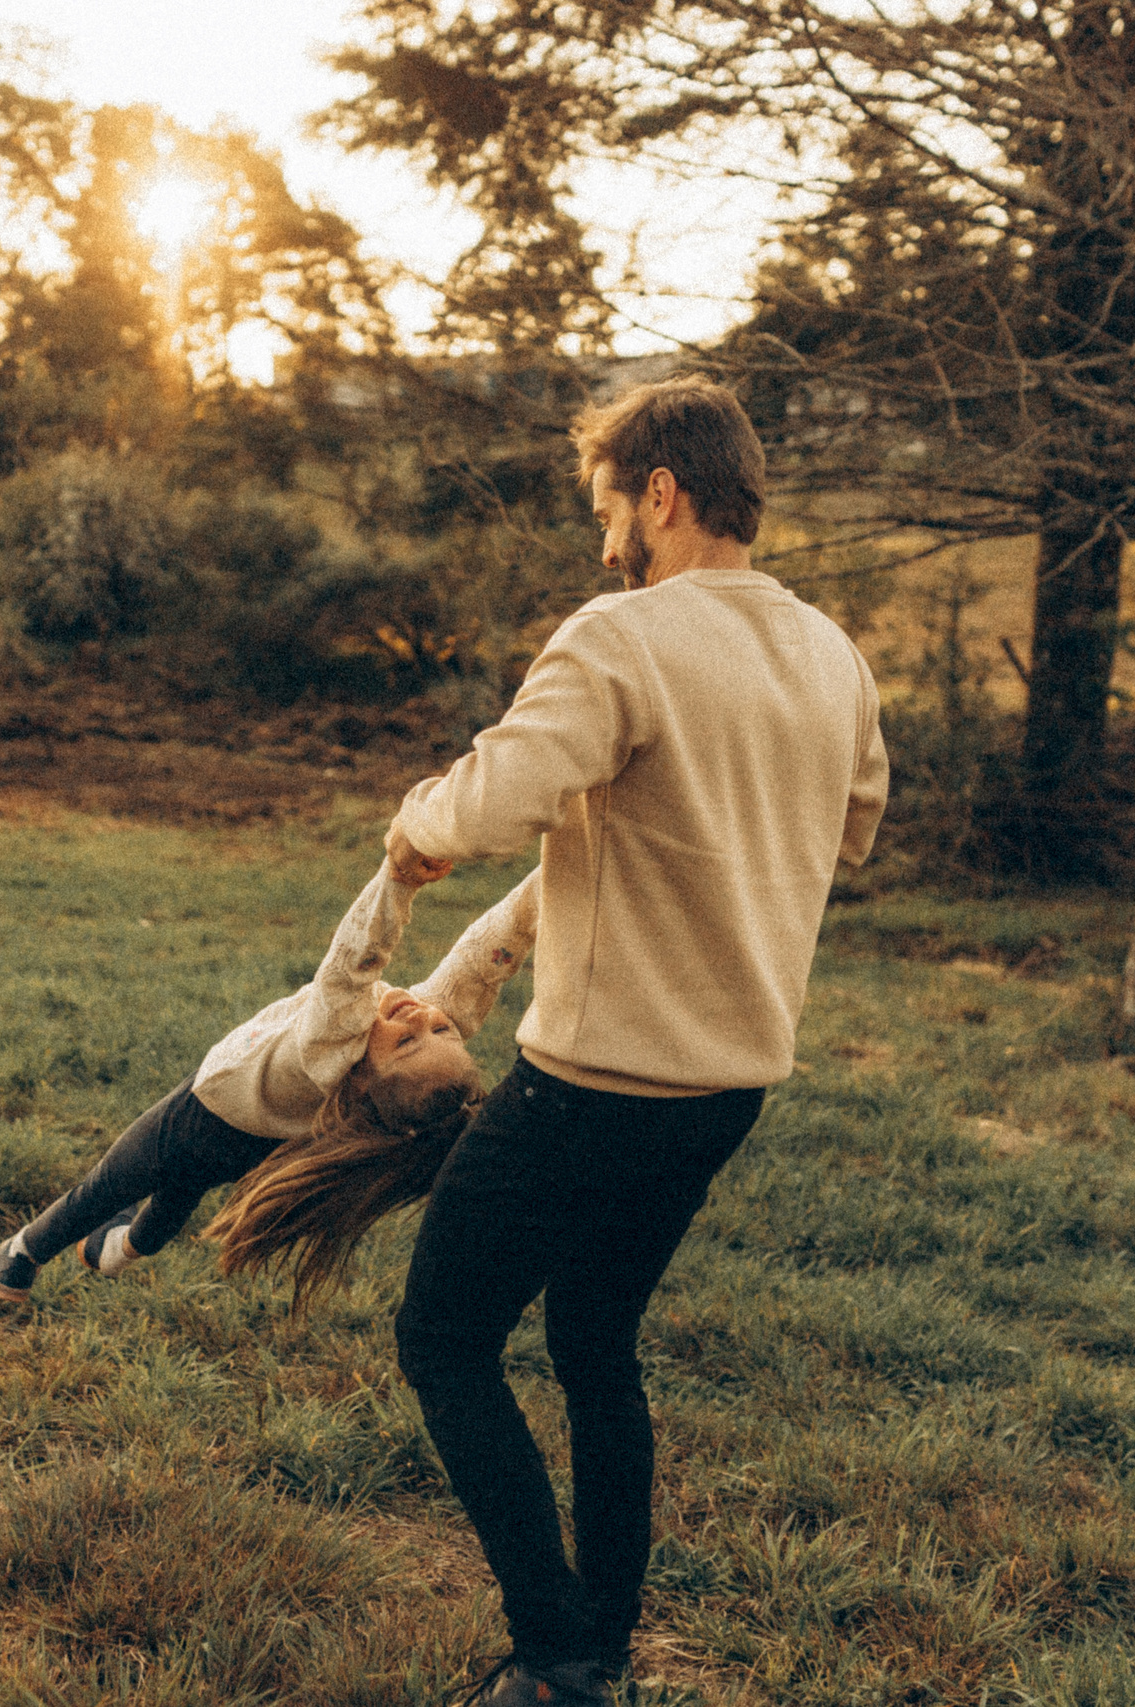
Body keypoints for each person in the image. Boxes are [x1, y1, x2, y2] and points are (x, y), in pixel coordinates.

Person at [382, 379, 890, 1706]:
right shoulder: (833, 656)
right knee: (596, 1343)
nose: (605, 537)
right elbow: (820, 832)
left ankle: (555, 1650)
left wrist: (418, 818)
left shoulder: (622, 638)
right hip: (726, 1088)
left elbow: (493, 804)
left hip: (589, 1088)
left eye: (610, 506)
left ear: (661, 492)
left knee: (442, 1333)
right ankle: (596, 1648)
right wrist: (477, 967)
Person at [0, 859, 539, 1305]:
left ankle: (20, 1256)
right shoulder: (396, 1054)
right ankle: (119, 1251)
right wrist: (546, 889)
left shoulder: (335, 1040)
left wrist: (397, 879)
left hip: (202, 1109)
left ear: (362, 1078)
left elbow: (353, 960)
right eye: (439, 1026)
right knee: (179, 1196)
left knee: (109, 1185)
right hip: (257, 1142)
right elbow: (483, 959)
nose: (418, 1015)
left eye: (406, 1039)